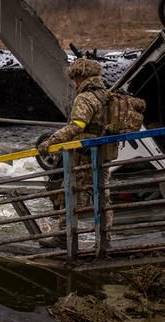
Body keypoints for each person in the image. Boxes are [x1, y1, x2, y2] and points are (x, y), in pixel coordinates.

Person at [33, 59, 115, 247]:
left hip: (83, 154)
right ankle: (105, 239)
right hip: (103, 152)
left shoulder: (85, 97)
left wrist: (51, 141)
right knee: (102, 194)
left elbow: (77, 125)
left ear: (79, 77)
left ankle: (64, 237)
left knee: (70, 194)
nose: (74, 84)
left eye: (74, 79)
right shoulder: (107, 95)